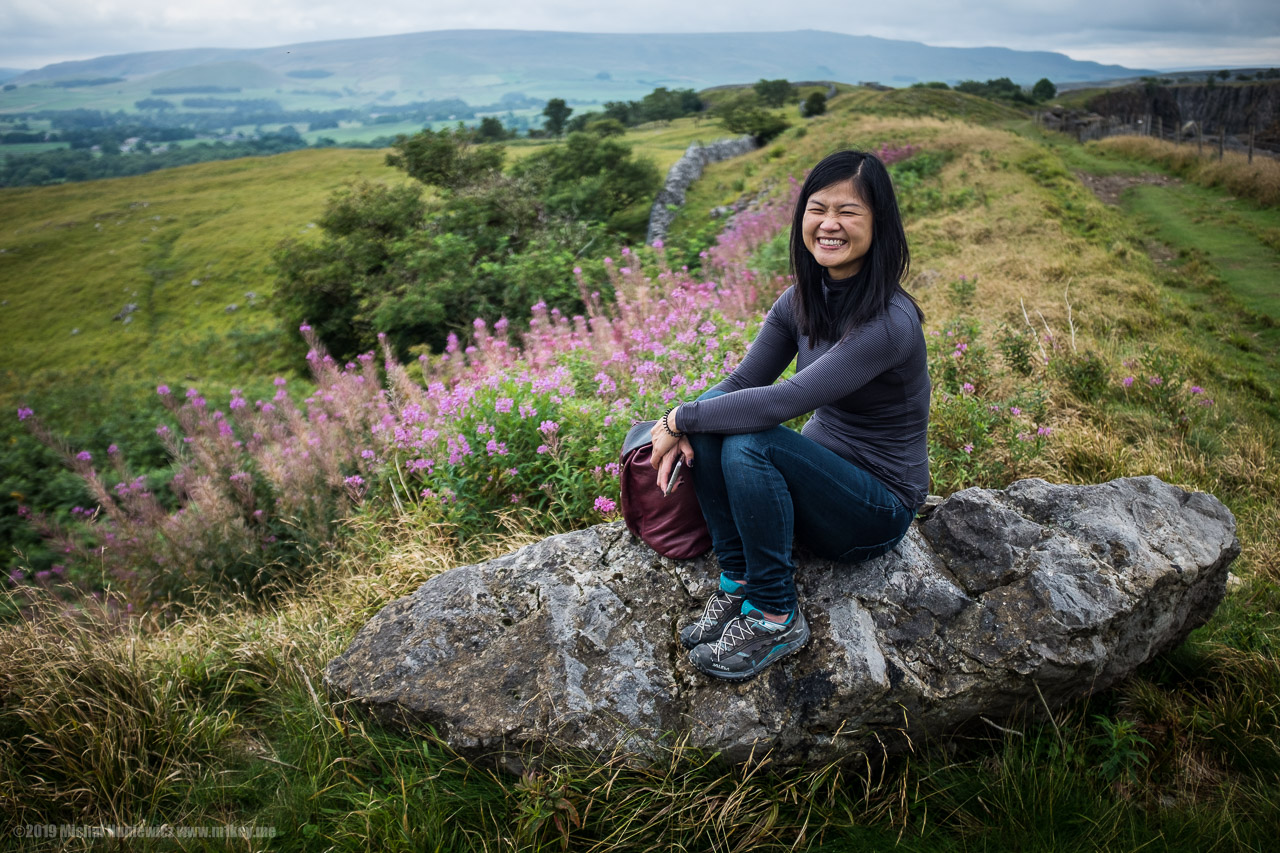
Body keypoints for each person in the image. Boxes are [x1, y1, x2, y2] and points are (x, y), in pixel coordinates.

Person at [648, 149, 930, 681]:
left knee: (745, 437)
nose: (829, 224)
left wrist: (678, 418)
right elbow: (740, 384)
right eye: (817, 208)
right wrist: (682, 425)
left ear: (880, 224)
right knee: (715, 424)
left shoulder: (890, 323)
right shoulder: (800, 300)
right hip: (822, 486)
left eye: (849, 212)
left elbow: (784, 400)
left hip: (876, 509)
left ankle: (776, 614)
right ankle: (738, 583)